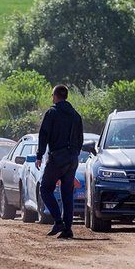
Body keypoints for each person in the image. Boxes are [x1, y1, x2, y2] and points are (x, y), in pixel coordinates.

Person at [35, 84, 84, 239]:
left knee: (45, 189)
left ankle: (58, 221)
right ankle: (67, 229)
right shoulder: (76, 115)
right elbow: (80, 139)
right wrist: (74, 153)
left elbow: (43, 135)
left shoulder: (52, 112)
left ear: (55, 96)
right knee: (67, 194)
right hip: (72, 159)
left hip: (57, 158)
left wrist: (39, 155)